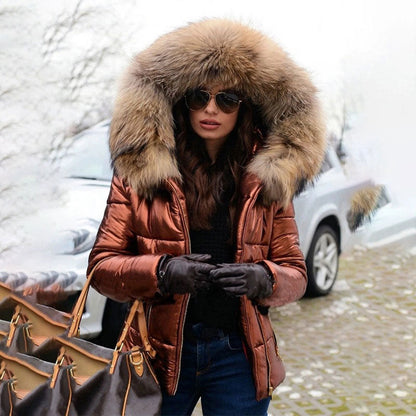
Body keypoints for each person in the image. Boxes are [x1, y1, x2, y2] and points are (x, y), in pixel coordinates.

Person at [87, 18, 325, 416]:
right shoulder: (142, 172)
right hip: (155, 354)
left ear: (243, 107)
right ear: (183, 100)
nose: (211, 109)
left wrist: (264, 278)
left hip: (239, 353)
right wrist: (161, 272)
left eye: (227, 99)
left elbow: (296, 274)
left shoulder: (266, 179)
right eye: (199, 96)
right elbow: (102, 267)